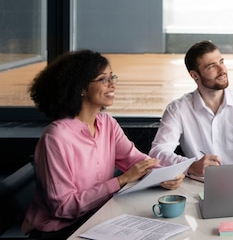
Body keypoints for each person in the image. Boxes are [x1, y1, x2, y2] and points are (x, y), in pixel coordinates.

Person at [21, 50, 184, 239]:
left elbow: (135, 159)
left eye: (112, 77)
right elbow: (63, 207)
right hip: (60, 232)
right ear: (81, 87)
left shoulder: (107, 123)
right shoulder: (56, 137)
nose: (112, 84)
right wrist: (121, 180)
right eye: (103, 79)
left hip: (97, 219)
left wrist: (166, 174)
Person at [149, 40, 233, 177]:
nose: (222, 70)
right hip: (201, 186)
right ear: (194, 75)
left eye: (221, 62)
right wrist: (191, 166)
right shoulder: (177, 109)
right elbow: (158, 152)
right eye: (212, 66)